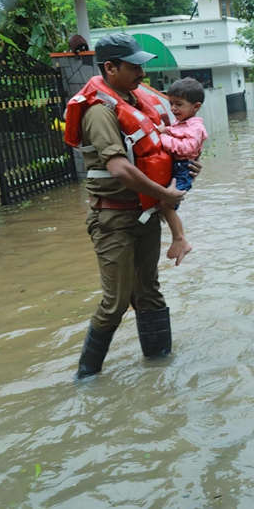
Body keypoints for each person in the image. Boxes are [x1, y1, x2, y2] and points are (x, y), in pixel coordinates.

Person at [63, 33, 188, 380]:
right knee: (115, 302)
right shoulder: (99, 112)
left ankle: (160, 369)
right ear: (110, 67)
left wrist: (182, 169)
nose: (142, 75)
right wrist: (165, 196)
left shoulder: (133, 101)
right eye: (134, 67)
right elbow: (119, 168)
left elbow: (155, 152)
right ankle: (86, 378)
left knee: (149, 293)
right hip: (113, 218)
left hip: (144, 215)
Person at [155, 77, 208, 266]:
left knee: (165, 204)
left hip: (184, 170)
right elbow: (175, 133)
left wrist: (163, 138)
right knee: (163, 203)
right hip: (178, 168)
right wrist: (167, 131)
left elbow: (185, 148)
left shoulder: (196, 127)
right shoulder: (180, 123)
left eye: (179, 104)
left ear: (196, 106)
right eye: (171, 104)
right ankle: (179, 238)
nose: (174, 109)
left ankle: (180, 239)